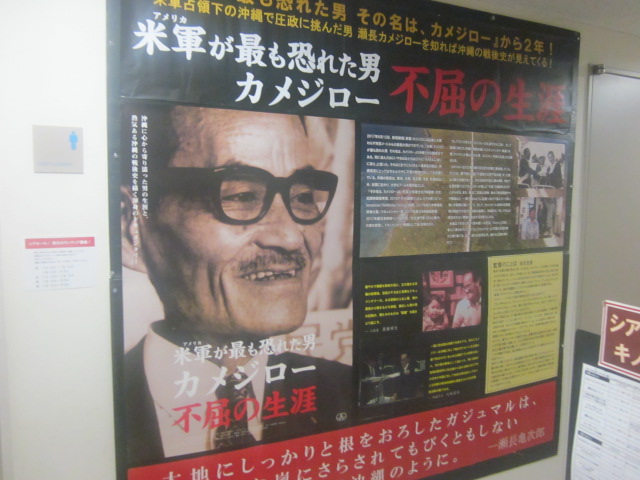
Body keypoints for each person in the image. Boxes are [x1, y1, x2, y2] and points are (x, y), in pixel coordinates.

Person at [120, 106, 352, 465]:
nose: (291, 237)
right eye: (242, 196)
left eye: (303, 196)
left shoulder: (346, 391)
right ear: (131, 230)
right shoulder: (91, 413)